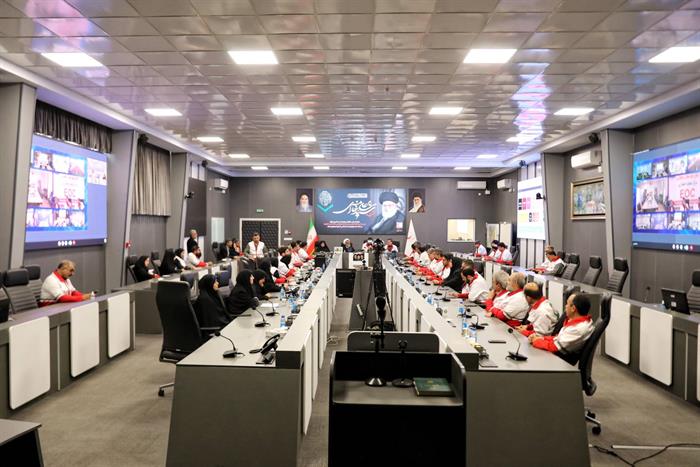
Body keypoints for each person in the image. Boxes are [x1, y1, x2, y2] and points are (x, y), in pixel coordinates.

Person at [529, 293, 594, 355]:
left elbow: (554, 347)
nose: (565, 306)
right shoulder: (582, 322)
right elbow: (558, 339)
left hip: (559, 358)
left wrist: (536, 341)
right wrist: (541, 338)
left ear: (573, 309)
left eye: (567, 304)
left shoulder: (577, 329)